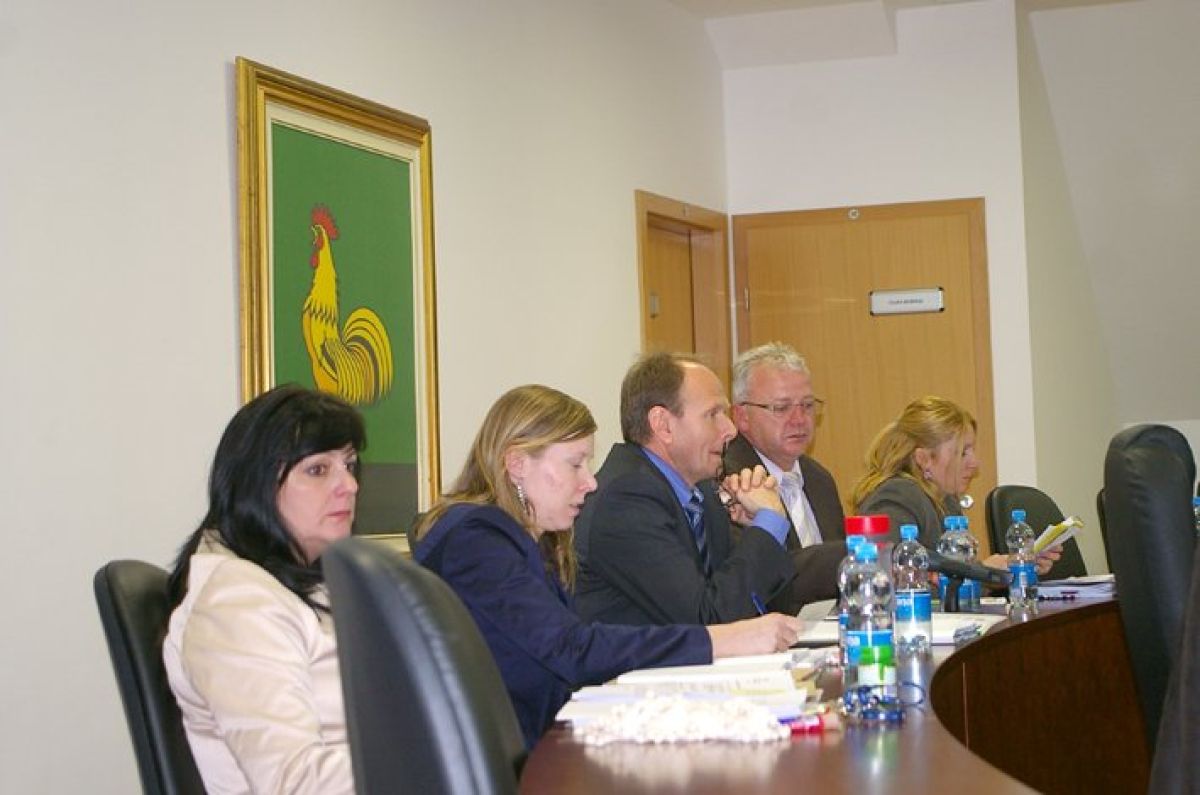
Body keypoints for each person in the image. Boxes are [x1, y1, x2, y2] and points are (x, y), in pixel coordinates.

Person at [412, 384, 800, 749]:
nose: (590, 483)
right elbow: (572, 649)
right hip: (521, 763)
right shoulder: (476, 541)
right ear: (516, 464)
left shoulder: (529, 541)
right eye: (575, 464)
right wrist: (723, 641)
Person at [163, 385, 362, 795]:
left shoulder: (298, 581)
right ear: (257, 485)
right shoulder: (236, 603)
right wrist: (437, 759)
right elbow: (294, 781)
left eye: (349, 465)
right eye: (318, 470)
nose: (349, 485)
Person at [574, 352, 798, 625]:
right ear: (663, 425)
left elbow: (752, 603)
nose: (730, 430)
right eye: (713, 414)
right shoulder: (625, 501)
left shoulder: (700, 494)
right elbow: (707, 621)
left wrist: (754, 531)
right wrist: (769, 524)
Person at [849, 395, 1058, 573]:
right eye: (962, 452)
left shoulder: (946, 501)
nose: (974, 463)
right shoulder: (896, 496)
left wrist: (1014, 566)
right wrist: (984, 570)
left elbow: (954, 577)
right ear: (924, 459)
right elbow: (897, 579)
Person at [726, 342, 847, 609]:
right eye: (781, 408)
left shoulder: (820, 479)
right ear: (742, 416)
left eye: (807, 405)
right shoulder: (729, 479)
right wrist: (853, 553)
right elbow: (765, 579)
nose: (799, 419)